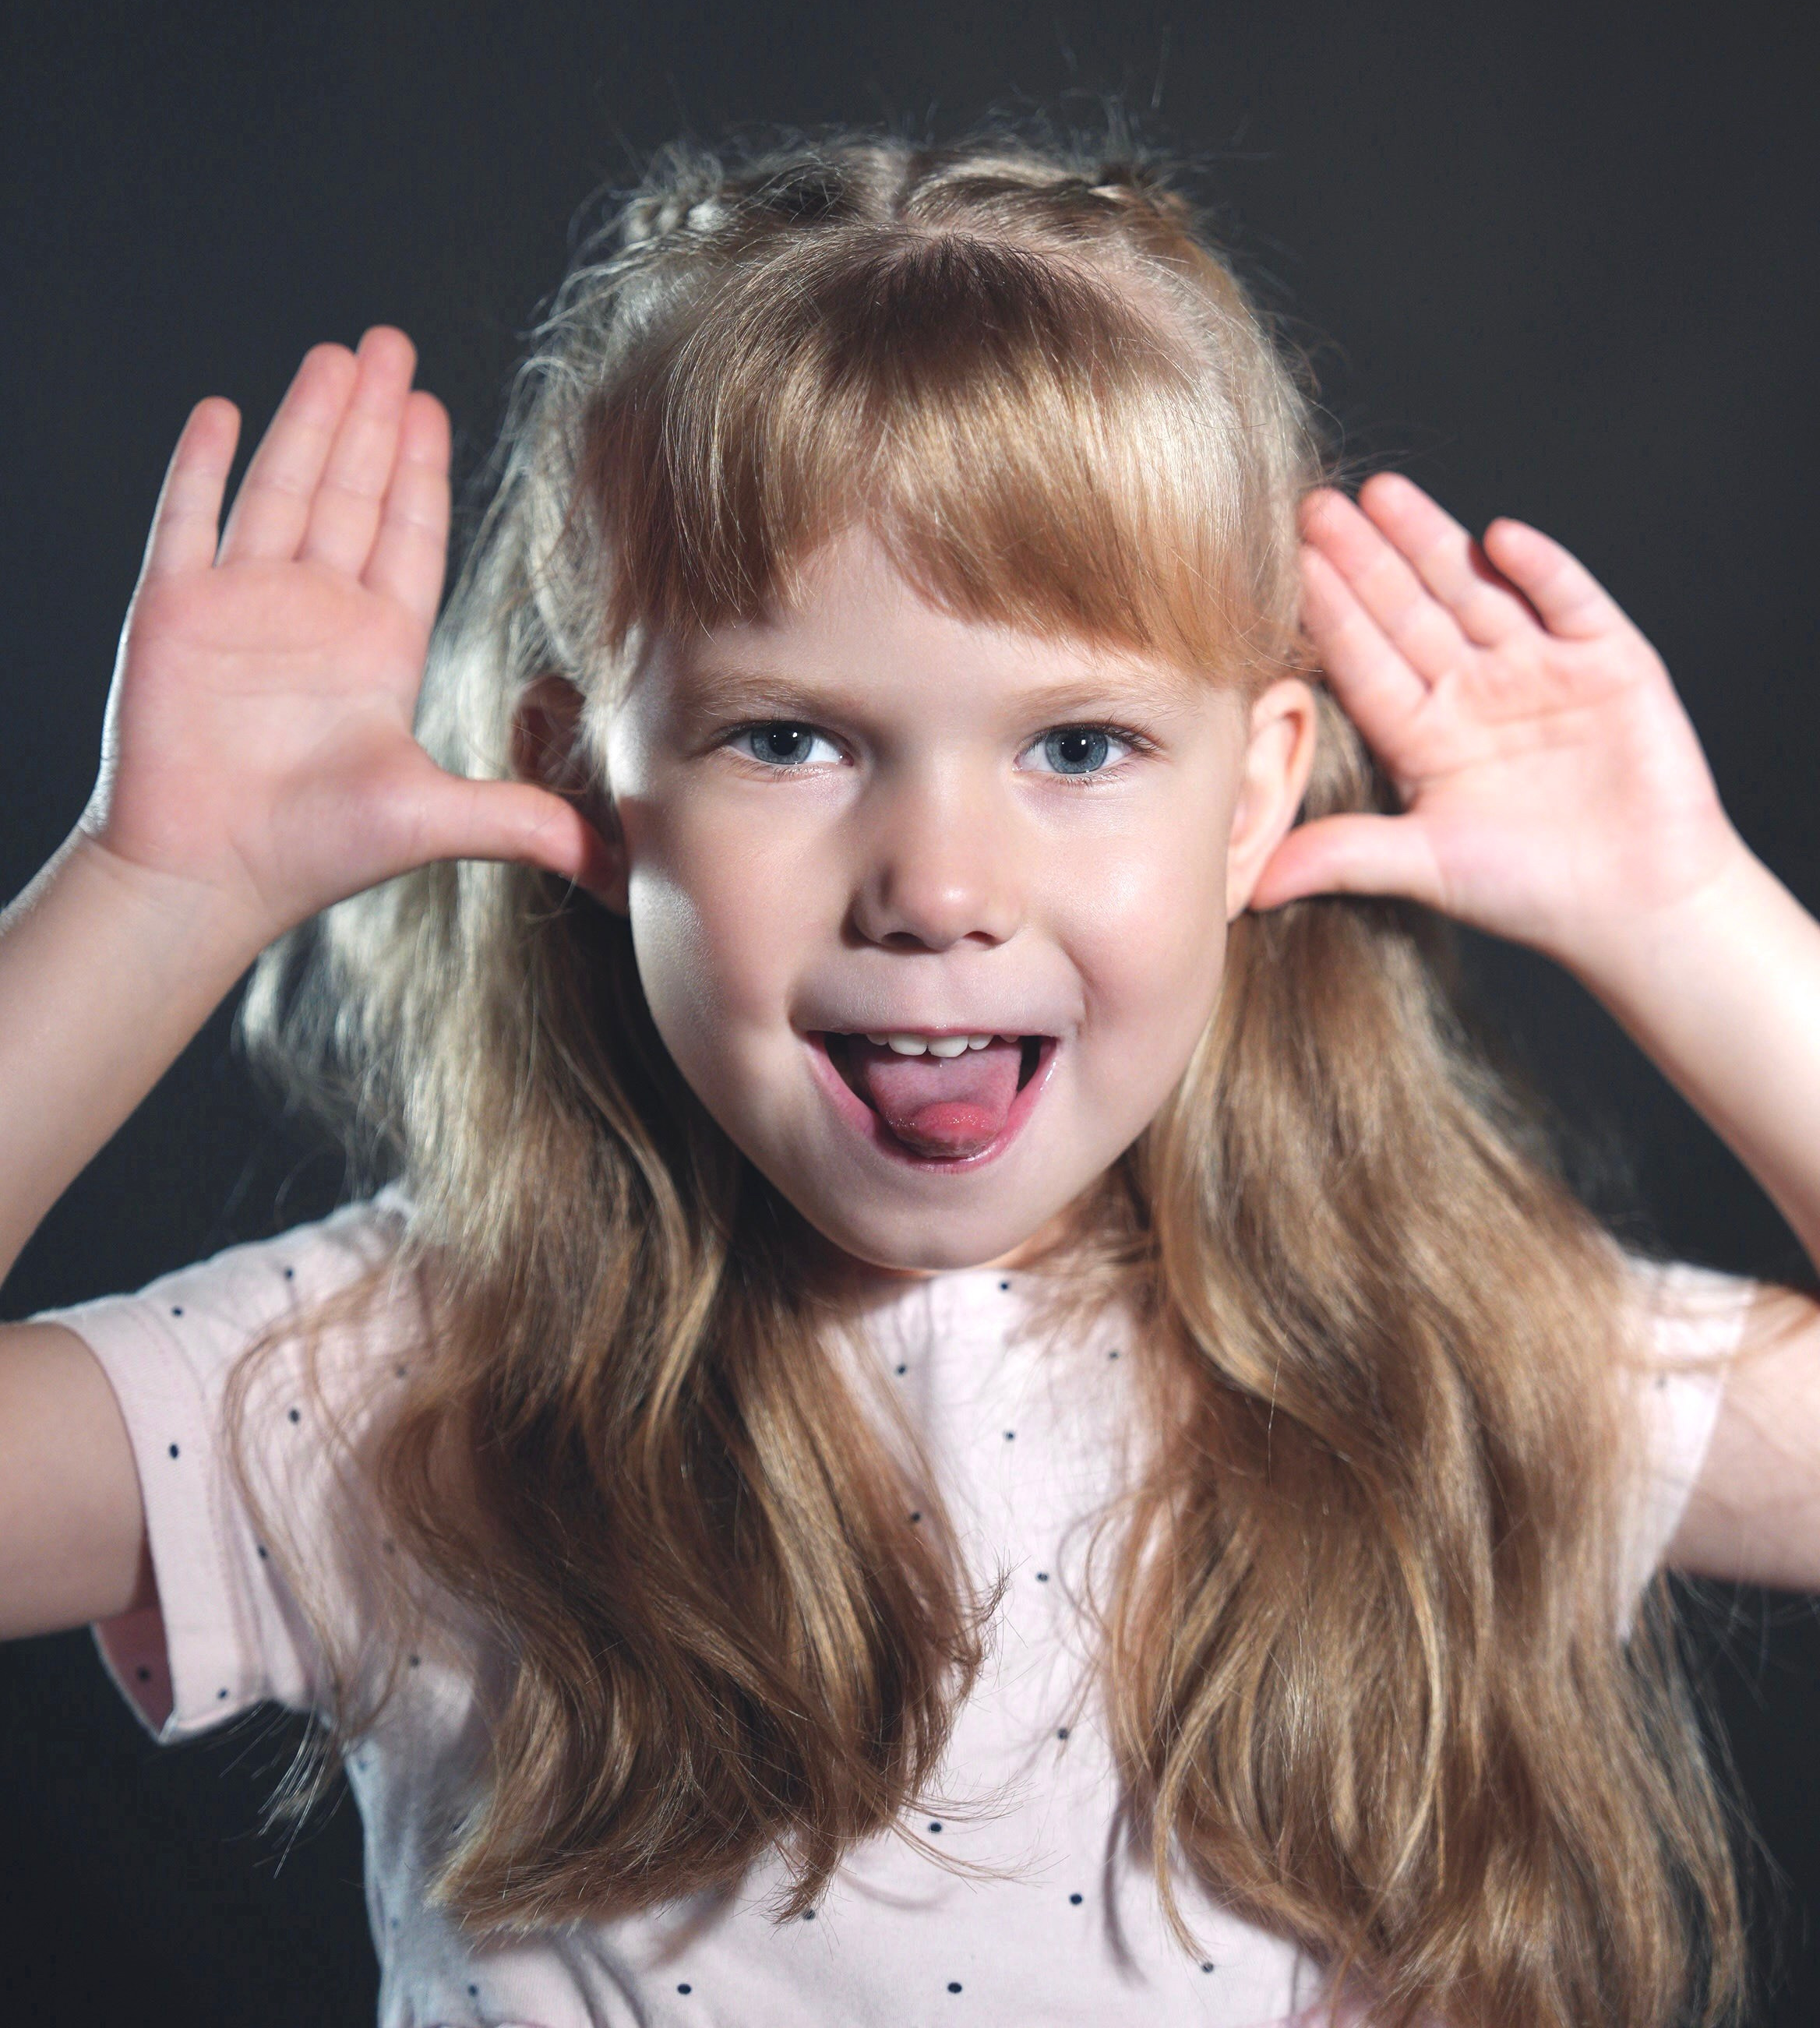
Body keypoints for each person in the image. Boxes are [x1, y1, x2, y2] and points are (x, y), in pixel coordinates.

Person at [2, 134, 1817, 2028]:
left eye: (1083, 745)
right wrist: (151, 899)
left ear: (1257, 788)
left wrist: (1682, 913)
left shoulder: (1443, 1359)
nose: (939, 891)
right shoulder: (405, 1384)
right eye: (788, 738)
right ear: (596, 794)